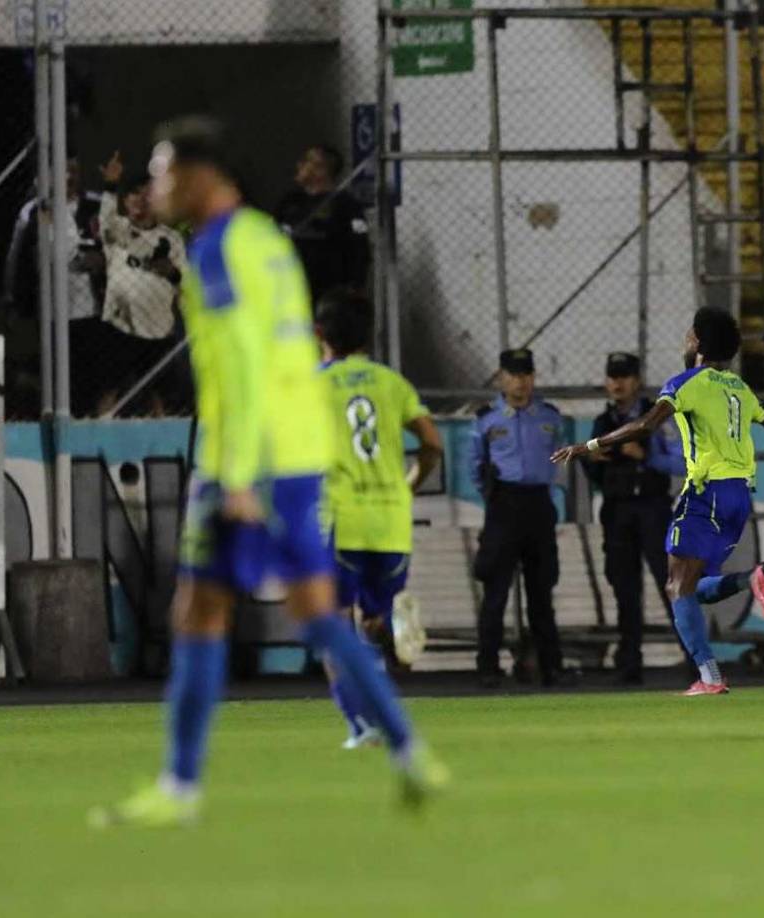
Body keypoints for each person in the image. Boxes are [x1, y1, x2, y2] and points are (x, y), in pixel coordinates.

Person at [89, 116, 447, 829]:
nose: (155, 187)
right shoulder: (266, 240)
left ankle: (179, 786)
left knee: (198, 612)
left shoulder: (220, 249)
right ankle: (411, 754)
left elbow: (247, 364)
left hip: (245, 461)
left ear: (199, 175)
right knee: (315, 613)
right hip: (300, 454)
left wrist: (239, 477)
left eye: (162, 171)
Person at [552, 308, 764, 697]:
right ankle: (751, 579)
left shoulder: (685, 383)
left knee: (678, 588)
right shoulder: (739, 388)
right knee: (689, 587)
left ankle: (710, 677)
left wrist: (587, 445)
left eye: (687, 336)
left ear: (697, 343)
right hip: (739, 496)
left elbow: (646, 425)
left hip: (706, 491)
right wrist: (755, 405)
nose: (685, 342)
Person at [315, 287, 443, 746]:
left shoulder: (313, 384)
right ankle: (387, 636)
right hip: (391, 519)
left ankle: (359, 720)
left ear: (319, 334)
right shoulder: (391, 383)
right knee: (370, 619)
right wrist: (407, 484)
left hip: (342, 518)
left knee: (331, 619)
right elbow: (433, 445)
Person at [583, 352, 686, 685]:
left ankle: (696, 658)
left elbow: (680, 463)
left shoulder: (656, 417)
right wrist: (594, 461)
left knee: (671, 584)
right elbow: (592, 470)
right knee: (624, 589)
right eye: (613, 376)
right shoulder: (602, 423)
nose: (618, 383)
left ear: (637, 381)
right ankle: (629, 662)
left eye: (624, 376)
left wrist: (646, 456)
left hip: (652, 507)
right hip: (617, 511)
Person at [470, 348, 571, 689]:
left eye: (526, 374)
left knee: (541, 593)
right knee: (495, 593)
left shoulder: (550, 417)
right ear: (501, 378)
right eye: (513, 375)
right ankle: (487, 667)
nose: (520, 382)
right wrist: (492, 498)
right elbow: (474, 466)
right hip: (503, 505)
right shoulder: (486, 419)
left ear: (534, 377)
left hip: (538, 505)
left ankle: (551, 666)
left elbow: (561, 461)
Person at [4, 155, 107, 415]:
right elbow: (16, 259)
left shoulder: (96, 204)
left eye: (74, 170)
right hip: (49, 311)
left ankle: (88, 427)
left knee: (90, 377)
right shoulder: (34, 210)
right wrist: (14, 299)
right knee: (54, 378)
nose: (69, 177)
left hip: (92, 310)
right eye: (62, 171)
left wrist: (104, 261)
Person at [97, 151, 187, 411]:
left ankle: (163, 446)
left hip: (158, 331)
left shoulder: (171, 239)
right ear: (125, 201)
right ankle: (98, 442)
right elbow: (106, 221)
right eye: (134, 194)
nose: (141, 200)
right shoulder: (119, 230)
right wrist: (110, 186)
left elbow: (186, 283)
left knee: (158, 397)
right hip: (120, 327)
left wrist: (172, 273)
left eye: (148, 194)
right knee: (109, 391)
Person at [275, 144, 370, 304]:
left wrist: (356, 285)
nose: (300, 165)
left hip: (329, 292)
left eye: (307, 161)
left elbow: (359, 247)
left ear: (321, 169)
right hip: (291, 288)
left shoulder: (345, 205)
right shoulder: (289, 203)